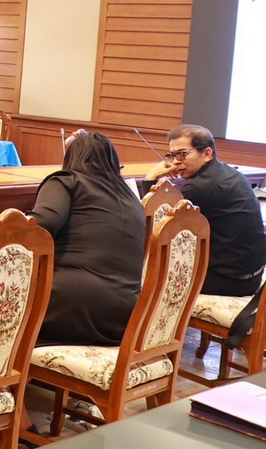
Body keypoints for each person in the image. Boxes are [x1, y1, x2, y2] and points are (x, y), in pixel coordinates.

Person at [30, 132, 144, 345]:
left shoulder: (68, 180)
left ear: (71, 157)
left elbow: (40, 225)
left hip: (75, 306)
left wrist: (2, 224)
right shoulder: (131, 197)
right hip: (125, 317)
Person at [144, 124, 266, 296]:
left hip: (228, 282)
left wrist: (150, 179)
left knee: (143, 276)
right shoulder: (231, 173)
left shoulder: (200, 188)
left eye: (182, 154)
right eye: (172, 155)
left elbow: (157, 224)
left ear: (207, 153)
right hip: (250, 277)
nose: (175, 161)